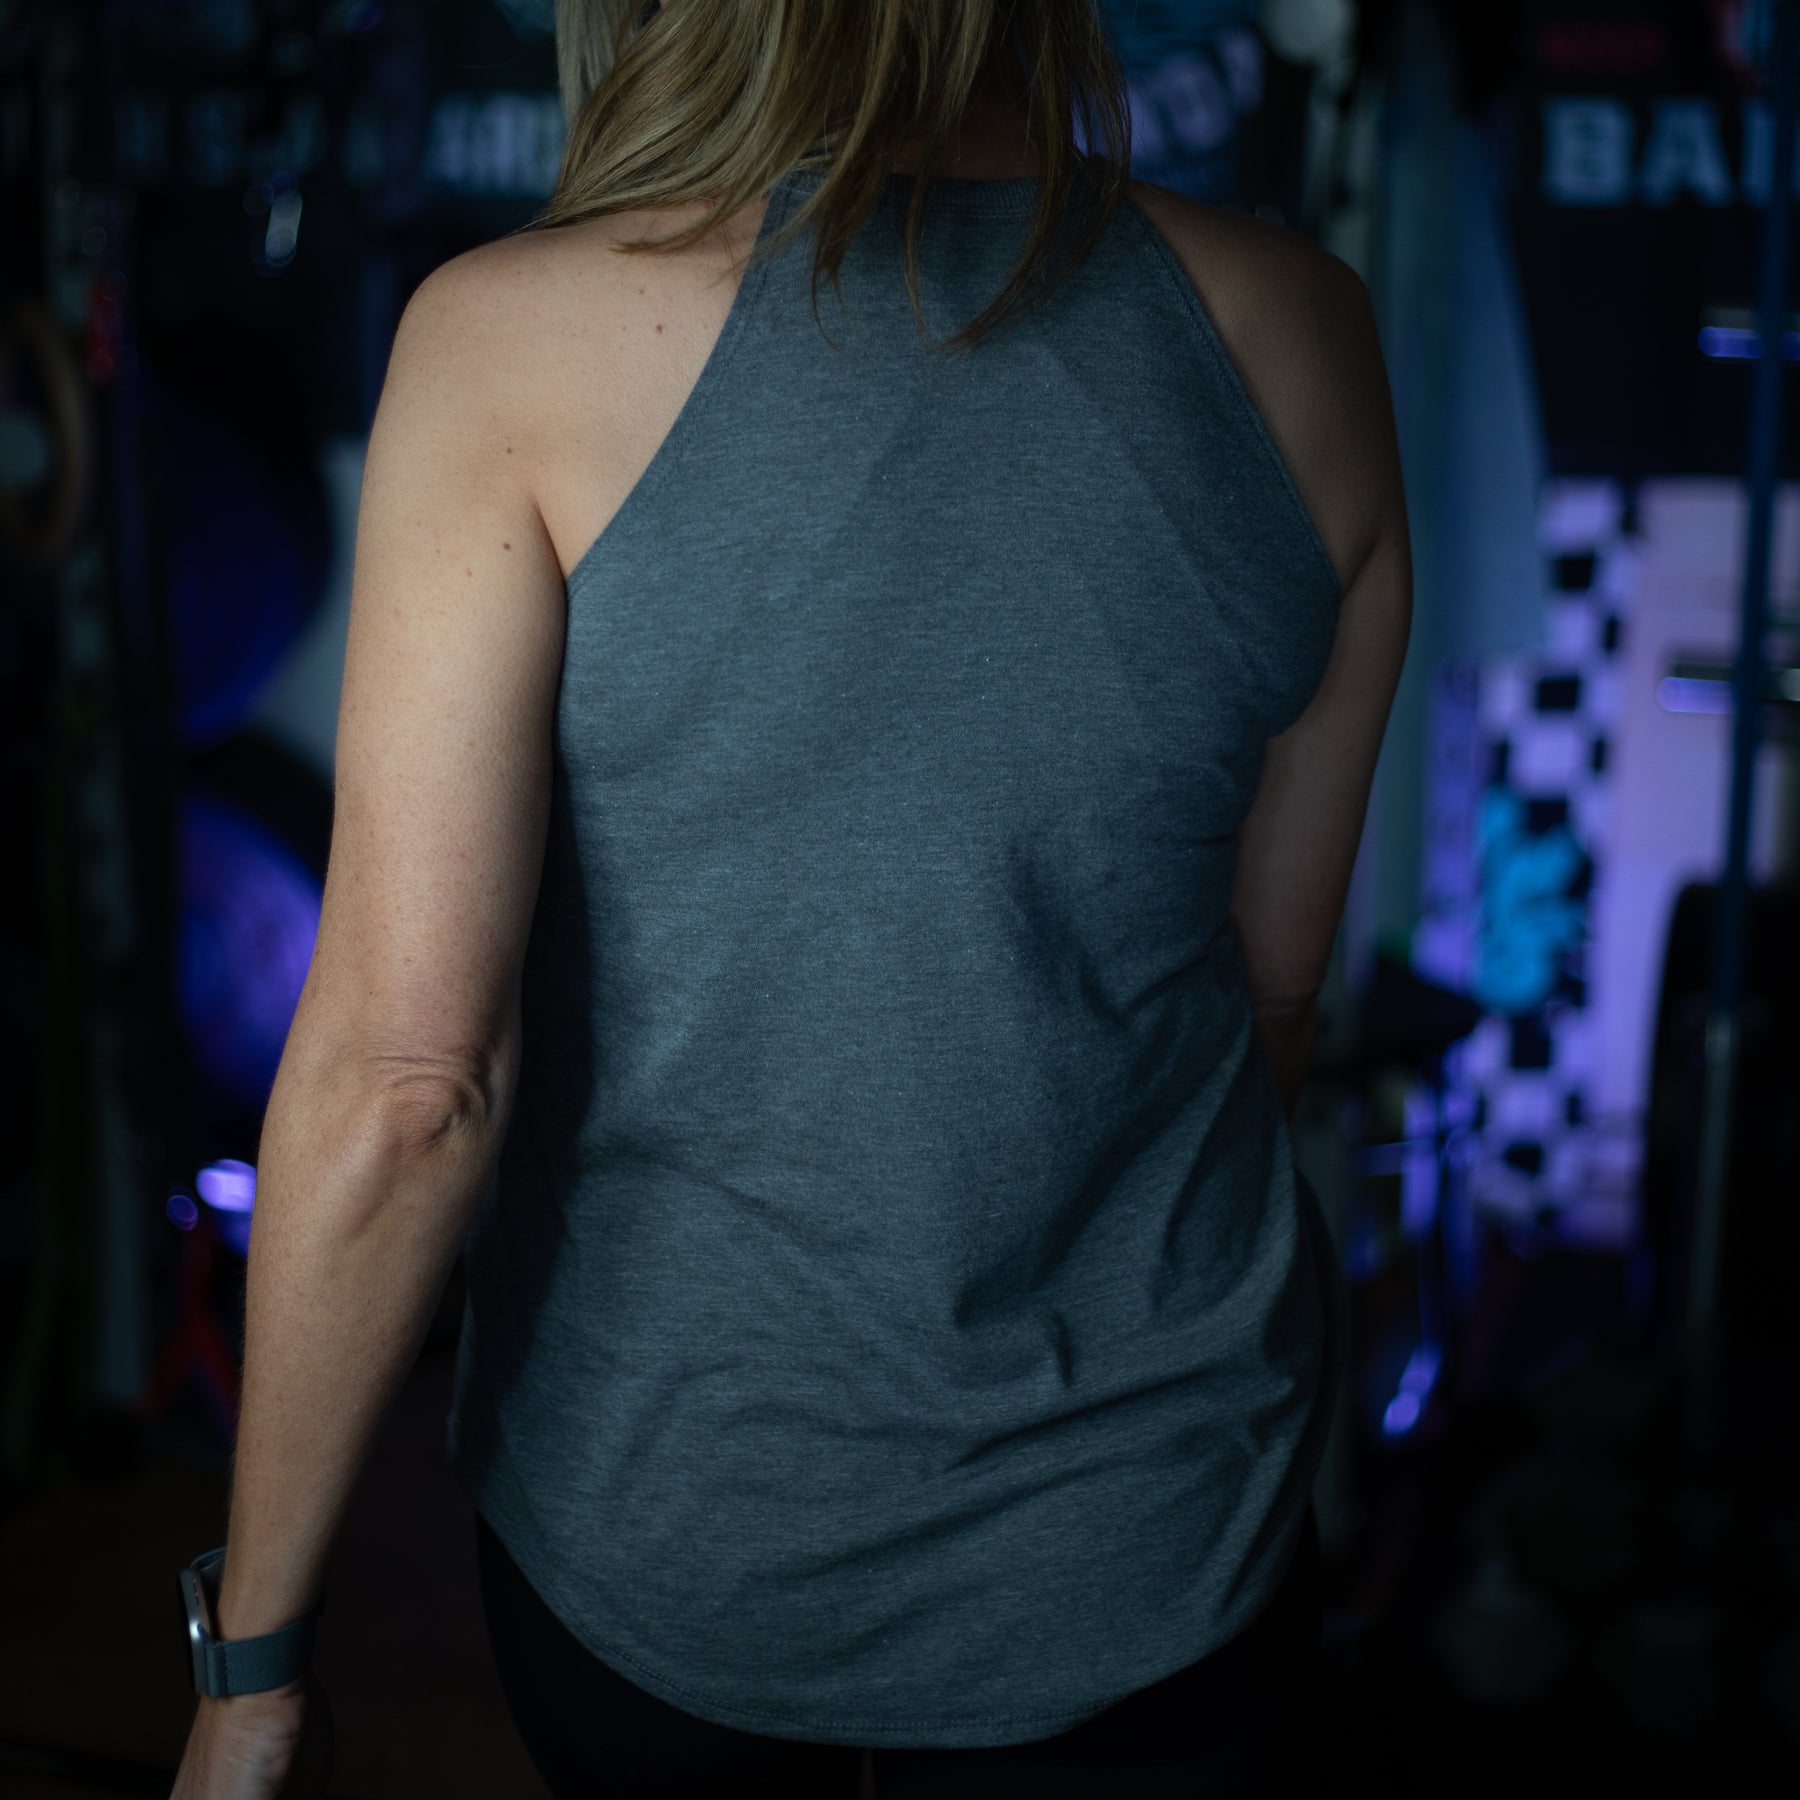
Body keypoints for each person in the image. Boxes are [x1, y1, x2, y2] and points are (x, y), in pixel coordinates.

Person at [206, 0, 1406, 1795]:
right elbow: (1272, 993)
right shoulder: (1304, 329)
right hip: (1163, 1546)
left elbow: (411, 1085)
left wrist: (252, 1671)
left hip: (675, 1549)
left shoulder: (507, 345)